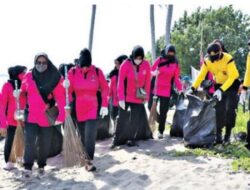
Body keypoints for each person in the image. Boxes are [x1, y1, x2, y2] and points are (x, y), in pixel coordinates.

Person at [18, 53, 65, 179]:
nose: (41, 65)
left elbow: (60, 97)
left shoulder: (54, 77)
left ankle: (41, 165)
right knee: (29, 141)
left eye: (44, 62)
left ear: (48, 63)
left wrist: (62, 114)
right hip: (31, 114)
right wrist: (18, 99)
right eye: (38, 62)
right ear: (34, 63)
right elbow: (23, 93)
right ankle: (28, 167)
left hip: (46, 115)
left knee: (45, 143)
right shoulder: (28, 76)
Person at [64, 48, 109, 171]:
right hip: (78, 108)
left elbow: (105, 88)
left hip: (92, 107)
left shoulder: (97, 71)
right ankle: (85, 158)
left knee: (90, 134)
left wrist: (104, 104)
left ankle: (89, 162)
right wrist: (66, 86)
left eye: (87, 67)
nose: (84, 69)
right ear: (79, 63)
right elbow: (68, 92)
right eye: (82, 66)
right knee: (83, 136)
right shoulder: (72, 72)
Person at [191, 43, 240, 145]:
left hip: (232, 85)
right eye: (211, 57)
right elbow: (201, 75)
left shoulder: (228, 58)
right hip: (218, 85)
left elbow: (232, 77)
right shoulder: (207, 61)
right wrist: (193, 87)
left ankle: (227, 136)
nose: (213, 59)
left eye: (215, 57)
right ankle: (218, 137)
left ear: (220, 52)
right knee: (219, 111)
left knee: (229, 110)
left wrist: (221, 90)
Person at [111, 45, 152, 148]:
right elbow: (120, 82)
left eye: (140, 58)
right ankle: (116, 140)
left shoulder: (146, 64)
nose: (138, 60)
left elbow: (147, 81)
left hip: (138, 96)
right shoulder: (125, 64)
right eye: (136, 58)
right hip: (126, 96)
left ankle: (131, 139)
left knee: (135, 119)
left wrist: (146, 96)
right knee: (122, 118)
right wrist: (121, 98)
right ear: (132, 56)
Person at [150, 45, 183, 139]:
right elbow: (151, 70)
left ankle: (161, 131)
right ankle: (161, 121)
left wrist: (180, 89)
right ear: (166, 51)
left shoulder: (175, 63)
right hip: (155, 89)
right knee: (150, 107)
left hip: (166, 90)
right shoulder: (159, 60)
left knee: (164, 111)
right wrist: (153, 73)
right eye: (169, 53)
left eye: (172, 54)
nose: (170, 55)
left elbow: (176, 78)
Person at [0, 65, 27, 170]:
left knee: (23, 139)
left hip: (24, 117)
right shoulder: (7, 86)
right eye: (23, 73)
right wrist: (2, 123)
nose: (25, 75)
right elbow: (2, 105)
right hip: (12, 118)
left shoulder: (25, 85)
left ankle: (21, 157)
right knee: (10, 139)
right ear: (17, 74)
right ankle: (9, 161)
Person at [108, 55, 128, 122]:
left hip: (124, 103)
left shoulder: (115, 77)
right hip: (117, 103)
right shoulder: (113, 76)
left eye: (117, 63)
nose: (116, 65)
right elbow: (110, 91)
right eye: (115, 63)